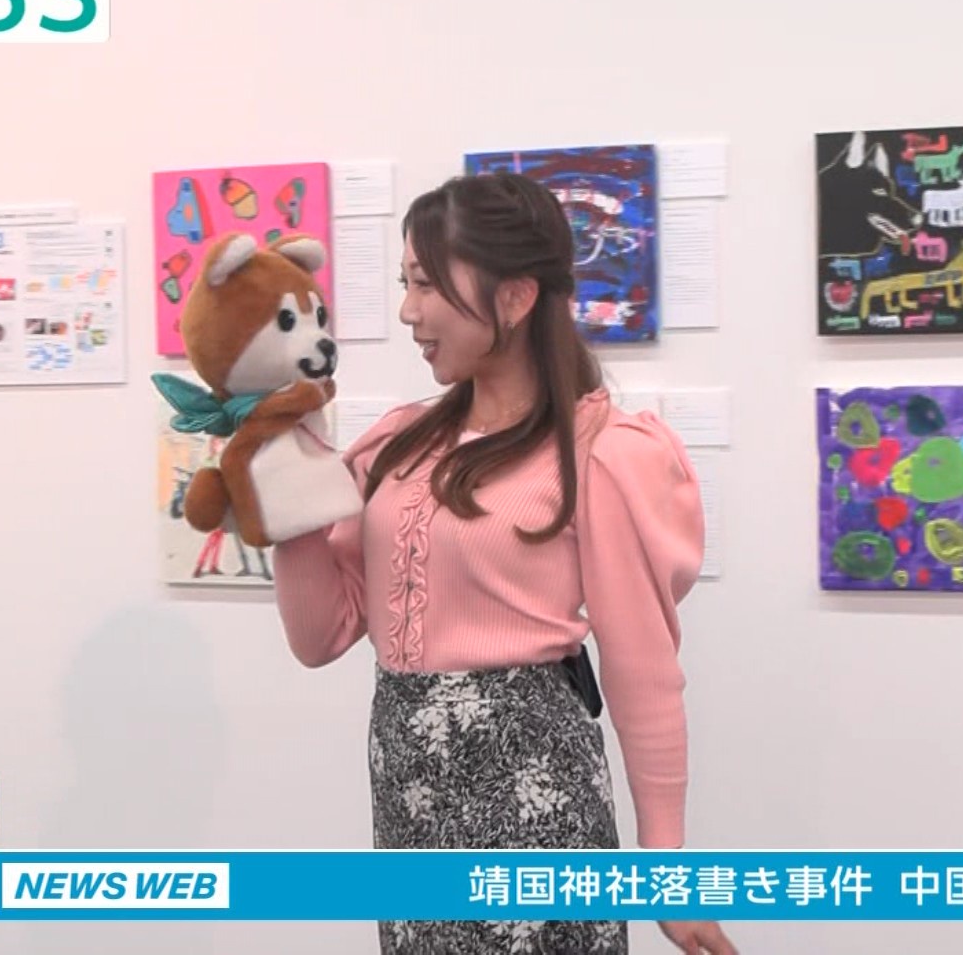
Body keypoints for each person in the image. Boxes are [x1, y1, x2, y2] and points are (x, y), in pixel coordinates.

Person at [270, 172, 738, 955]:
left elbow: (644, 673)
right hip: (408, 803)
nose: (408, 311)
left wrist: (668, 869)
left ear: (515, 297)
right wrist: (282, 492)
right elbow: (320, 637)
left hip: (536, 804)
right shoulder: (395, 444)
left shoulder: (601, 452)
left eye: (426, 284)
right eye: (404, 283)